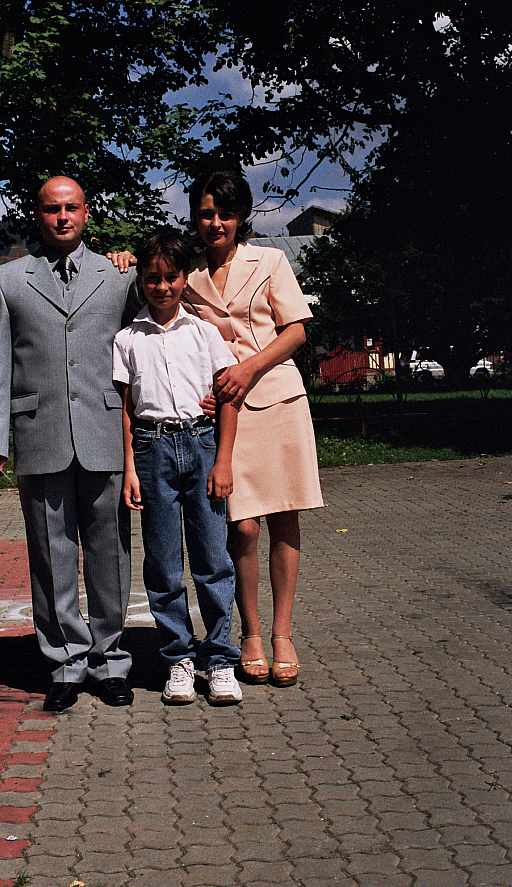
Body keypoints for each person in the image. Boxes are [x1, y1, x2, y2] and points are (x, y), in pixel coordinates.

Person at [0, 175, 140, 712]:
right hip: (39, 432)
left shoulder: (120, 276)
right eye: (52, 209)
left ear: (87, 213)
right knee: (50, 553)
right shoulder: (8, 281)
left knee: (109, 552)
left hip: (104, 431)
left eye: (72, 207)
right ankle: (66, 662)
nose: (63, 217)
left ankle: (110, 658)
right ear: (39, 215)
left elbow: (146, 346)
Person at [183, 171, 324, 687]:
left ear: (241, 217)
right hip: (224, 412)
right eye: (205, 213)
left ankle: (283, 633)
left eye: (225, 213)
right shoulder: (187, 271)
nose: (215, 222)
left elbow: (296, 330)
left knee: (284, 517)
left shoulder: (269, 261)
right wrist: (122, 258)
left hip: (277, 397)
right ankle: (251, 633)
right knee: (240, 525)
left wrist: (248, 368)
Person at [113, 230, 243, 706]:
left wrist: (223, 459)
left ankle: (221, 659)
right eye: (152, 278)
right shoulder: (127, 339)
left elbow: (228, 395)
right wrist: (130, 467)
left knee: (213, 560)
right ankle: (178, 660)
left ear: (184, 279)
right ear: (142, 282)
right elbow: (126, 409)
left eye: (171, 277)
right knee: (164, 566)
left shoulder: (204, 332)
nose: (162, 286)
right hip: (152, 452)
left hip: (202, 445)